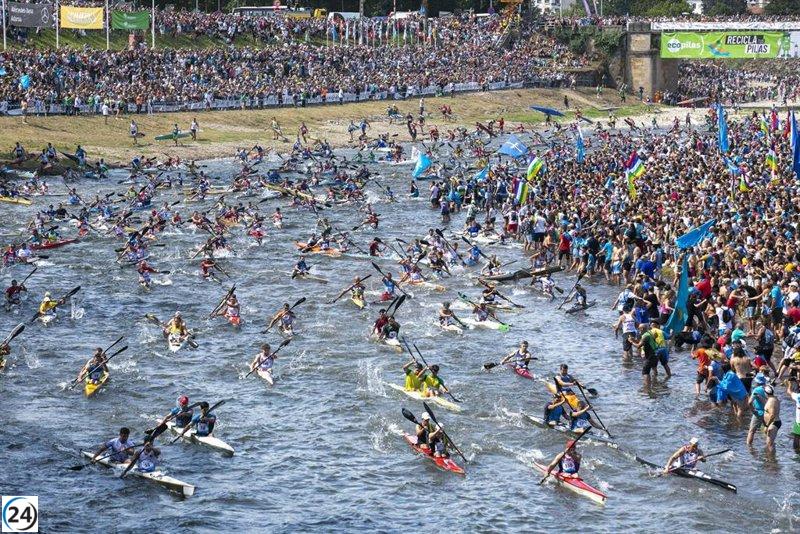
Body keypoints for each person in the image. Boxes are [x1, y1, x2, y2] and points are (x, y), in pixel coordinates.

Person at [762, 385, 781, 454]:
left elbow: (772, 415)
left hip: (773, 423)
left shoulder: (771, 401)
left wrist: (766, 426)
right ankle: (771, 458)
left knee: (769, 443)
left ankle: (772, 461)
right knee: (770, 443)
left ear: (766, 392)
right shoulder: (773, 399)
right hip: (773, 423)